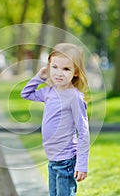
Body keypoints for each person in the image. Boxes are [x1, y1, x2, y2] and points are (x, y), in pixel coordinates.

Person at [21, 43, 90, 195]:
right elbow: (26, 93)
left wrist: (82, 165)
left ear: (76, 72)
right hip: (52, 159)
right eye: (55, 67)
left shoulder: (74, 97)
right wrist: (40, 76)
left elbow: (83, 132)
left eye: (66, 69)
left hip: (66, 161)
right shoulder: (49, 92)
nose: (59, 73)